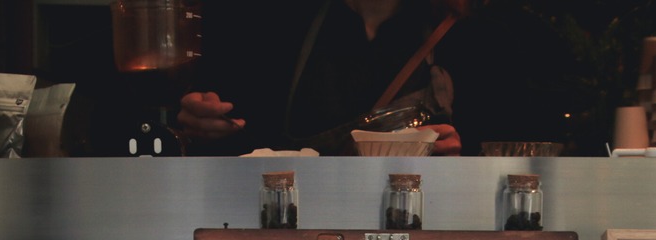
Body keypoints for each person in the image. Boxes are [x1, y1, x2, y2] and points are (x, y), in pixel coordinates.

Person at [175, 0, 470, 155]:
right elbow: (222, 127)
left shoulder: (468, 31)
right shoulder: (263, 19)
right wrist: (201, 120)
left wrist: (456, 163)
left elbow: (494, 162)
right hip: (286, 233)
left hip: (415, 235)